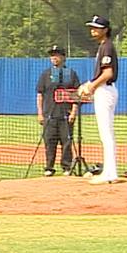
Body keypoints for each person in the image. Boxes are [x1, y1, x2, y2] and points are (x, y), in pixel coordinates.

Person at [77, 15, 118, 184]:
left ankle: (110, 173)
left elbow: (108, 73)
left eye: (96, 27)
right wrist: (90, 83)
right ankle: (109, 172)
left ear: (105, 30)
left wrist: (91, 87)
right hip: (104, 89)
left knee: (106, 134)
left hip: (105, 90)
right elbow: (102, 74)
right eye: (92, 27)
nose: (93, 30)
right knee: (106, 134)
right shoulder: (103, 46)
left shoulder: (107, 46)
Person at [35, 45, 80, 176]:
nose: (54, 57)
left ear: (63, 57)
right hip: (49, 115)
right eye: (52, 55)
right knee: (49, 141)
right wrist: (40, 113)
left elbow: (76, 94)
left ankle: (66, 167)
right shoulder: (45, 74)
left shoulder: (70, 73)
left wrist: (73, 111)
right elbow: (40, 94)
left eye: (57, 55)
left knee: (66, 141)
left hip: (65, 114)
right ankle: (49, 167)